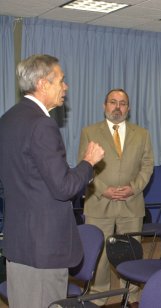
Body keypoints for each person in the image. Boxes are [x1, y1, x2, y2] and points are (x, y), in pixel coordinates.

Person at [0, 54, 105, 308]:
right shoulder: (42, 124)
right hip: (44, 249)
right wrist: (88, 163)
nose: (65, 87)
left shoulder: (8, 120)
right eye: (61, 80)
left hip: (19, 243)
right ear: (43, 84)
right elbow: (64, 188)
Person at [77, 88, 154, 306]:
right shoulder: (89, 132)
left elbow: (147, 166)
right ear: (104, 106)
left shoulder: (142, 134)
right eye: (113, 102)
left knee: (130, 251)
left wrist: (133, 188)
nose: (117, 107)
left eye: (122, 103)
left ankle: (131, 296)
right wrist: (103, 189)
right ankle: (98, 296)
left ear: (128, 109)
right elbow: (85, 165)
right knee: (98, 255)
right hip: (99, 202)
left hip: (131, 203)